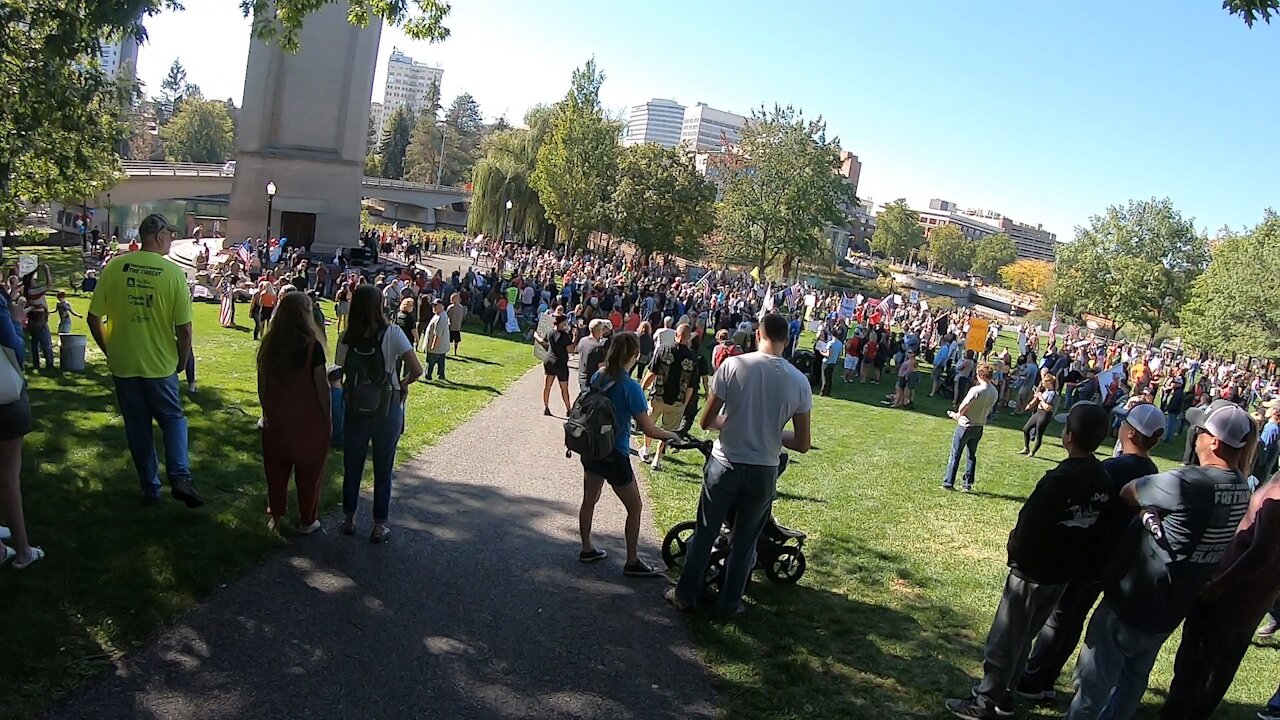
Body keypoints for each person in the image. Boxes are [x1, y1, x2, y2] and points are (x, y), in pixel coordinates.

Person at [1065, 400, 1254, 720]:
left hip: (1134, 598)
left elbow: (1129, 492)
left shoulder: (1187, 482)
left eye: (1201, 431)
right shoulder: (1241, 486)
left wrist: (1150, 510)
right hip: (1173, 602)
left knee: (1093, 686)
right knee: (1132, 680)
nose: (1195, 436)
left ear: (1215, 442)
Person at [945, 403, 1112, 720]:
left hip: (1033, 573)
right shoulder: (1102, 478)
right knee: (1026, 635)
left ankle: (984, 702)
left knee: (1005, 638)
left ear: (1068, 436)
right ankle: (1006, 695)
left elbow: (1029, 527)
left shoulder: (1058, 480)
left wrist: (1015, 555)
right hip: (1061, 576)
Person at [665, 313, 812, 616]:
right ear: (787, 340)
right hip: (764, 469)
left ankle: (685, 595)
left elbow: (706, 421)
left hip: (725, 462)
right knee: (745, 543)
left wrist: (730, 423)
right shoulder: (799, 381)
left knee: (706, 532)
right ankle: (729, 603)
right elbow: (802, 442)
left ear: (758, 335)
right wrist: (772, 432)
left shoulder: (733, 365)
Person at [1016, 403, 1165, 701]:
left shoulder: (1113, 469)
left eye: (1124, 424)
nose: (1119, 428)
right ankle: (1046, 676)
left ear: (1131, 433)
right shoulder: (1151, 470)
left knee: (1058, 618)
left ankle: (1033, 679)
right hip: (1109, 563)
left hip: (1087, 557)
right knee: (1073, 619)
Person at [87, 214, 203, 509]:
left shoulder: (114, 267)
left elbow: (92, 317)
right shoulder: (172, 273)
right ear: (159, 236)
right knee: (173, 419)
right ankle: (179, 475)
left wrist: (109, 350)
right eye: (171, 235)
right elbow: (185, 329)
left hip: (124, 363)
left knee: (137, 428)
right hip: (160, 365)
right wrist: (183, 359)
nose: (173, 239)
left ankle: (151, 490)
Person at [1159, 465, 1280, 720]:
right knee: (1216, 669)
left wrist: (1219, 586)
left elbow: (1260, 554)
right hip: (1253, 598)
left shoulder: (1277, 500)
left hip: (1233, 597)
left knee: (1197, 670)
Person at [576, 331, 678, 577]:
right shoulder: (631, 387)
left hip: (592, 448)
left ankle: (587, 548)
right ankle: (632, 560)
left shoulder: (599, 375)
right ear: (634, 355)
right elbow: (648, 428)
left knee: (589, 500)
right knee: (635, 507)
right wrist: (671, 436)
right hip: (615, 453)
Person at [337, 284, 423, 543]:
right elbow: (417, 369)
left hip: (355, 408)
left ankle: (350, 518)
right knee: (383, 468)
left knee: (352, 465)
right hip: (387, 406)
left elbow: (339, 369)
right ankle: (378, 524)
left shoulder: (346, 336)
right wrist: (403, 384)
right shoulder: (393, 333)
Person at [257, 291, 330, 535]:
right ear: (305, 315)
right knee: (309, 475)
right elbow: (322, 388)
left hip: (277, 421)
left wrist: (268, 412)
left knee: (275, 472)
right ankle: (307, 520)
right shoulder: (312, 348)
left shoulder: (268, 345)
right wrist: (327, 419)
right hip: (307, 422)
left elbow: (262, 386)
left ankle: (276, 517)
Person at [0, 290, 42, 568]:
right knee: (8, 478)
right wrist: (15, 320)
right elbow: (16, 351)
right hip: (5, 400)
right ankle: (23, 551)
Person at [640, 323, 697, 471]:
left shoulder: (663, 349)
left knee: (650, 425)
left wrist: (642, 389)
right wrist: (685, 403)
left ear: (676, 334)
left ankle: (646, 450)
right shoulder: (692, 358)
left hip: (658, 396)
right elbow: (691, 385)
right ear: (688, 337)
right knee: (668, 431)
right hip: (677, 401)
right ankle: (657, 460)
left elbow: (652, 372)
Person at [942, 363, 999, 491]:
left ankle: (948, 482)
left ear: (980, 375)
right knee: (971, 455)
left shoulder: (976, 390)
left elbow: (963, 407)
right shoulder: (994, 391)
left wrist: (957, 415)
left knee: (955, 454)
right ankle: (967, 483)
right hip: (979, 426)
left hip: (966, 425)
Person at [534, 313, 574, 416]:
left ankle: (546, 407)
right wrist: (574, 337)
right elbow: (571, 349)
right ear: (562, 323)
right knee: (564, 389)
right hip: (561, 363)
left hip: (549, 360)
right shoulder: (564, 336)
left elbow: (543, 342)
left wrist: (536, 336)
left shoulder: (550, 332)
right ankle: (569, 409)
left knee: (547, 386)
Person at [1018, 375, 1059, 456]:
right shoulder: (1045, 391)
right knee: (1026, 429)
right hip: (1038, 413)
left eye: (1044, 382)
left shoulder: (1052, 393)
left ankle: (1032, 452)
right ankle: (1026, 447)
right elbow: (1037, 400)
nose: (1043, 383)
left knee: (1039, 434)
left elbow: (1048, 407)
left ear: (1049, 383)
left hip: (1045, 415)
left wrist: (1041, 398)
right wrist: (1030, 405)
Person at [574, 318, 611, 391]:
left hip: (582, 377)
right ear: (600, 331)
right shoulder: (598, 347)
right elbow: (601, 367)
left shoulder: (582, 340)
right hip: (592, 380)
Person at [422, 298, 450, 382]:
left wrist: (433, 346)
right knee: (441, 362)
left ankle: (428, 376)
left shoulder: (440, 318)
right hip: (441, 347)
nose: (433, 307)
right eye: (433, 305)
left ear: (442, 306)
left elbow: (438, 334)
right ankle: (441, 376)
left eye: (435, 305)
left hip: (436, 346)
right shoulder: (440, 315)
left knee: (430, 362)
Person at [819, 331, 843, 397]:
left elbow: (828, 354)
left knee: (824, 378)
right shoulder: (840, 344)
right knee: (829, 378)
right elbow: (840, 354)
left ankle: (823, 392)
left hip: (827, 362)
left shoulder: (830, 343)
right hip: (833, 362)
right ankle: (828, 392)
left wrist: (821, 352)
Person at [447, 292, 466, 357]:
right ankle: (446, 351)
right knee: (448, 340)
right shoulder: (450, 308)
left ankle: (455, 352)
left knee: (456, 340)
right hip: (451, 327)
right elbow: (447, 316)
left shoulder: (461, 307)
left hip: (457, 327)